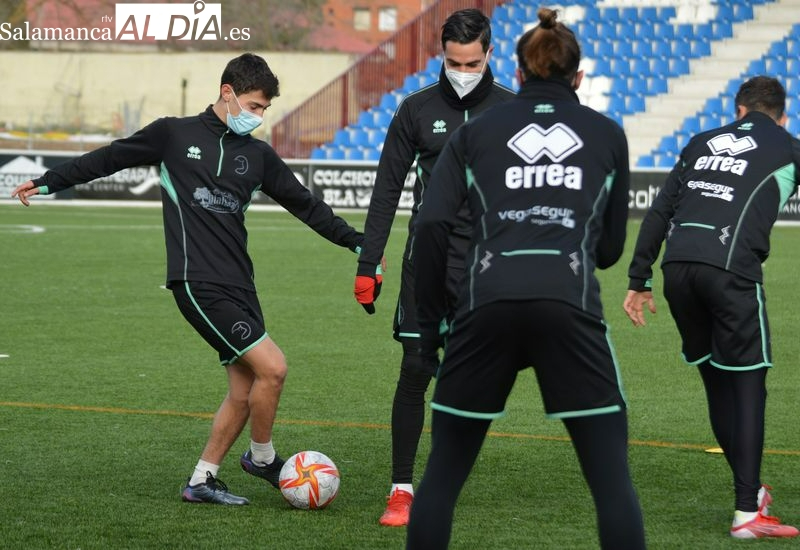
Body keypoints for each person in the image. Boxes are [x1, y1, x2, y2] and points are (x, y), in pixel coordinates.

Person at [12, 53, 364, 506]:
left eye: (264, 111)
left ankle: (202, 480)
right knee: (273, 369)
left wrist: (357, 243)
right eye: (254, 107)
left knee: (244, 389)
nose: (257, 118)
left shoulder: (258, 155)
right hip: (197, 282)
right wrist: (47, 181)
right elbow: (109, 158)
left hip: (241, 284)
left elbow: (307, 205)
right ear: (227, 93)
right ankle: (262, 457)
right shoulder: (173, 134)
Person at [406, 8, 645, 549]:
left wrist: (430, 325)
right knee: (611, 485)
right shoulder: (607, 134)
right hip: (569, 302)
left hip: (486, 302)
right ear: (577, 77)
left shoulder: (479, 130)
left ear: (516, 73)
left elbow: (432, 224)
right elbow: (608, 252)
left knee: (441, 479)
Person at [352, 8, 516, 527]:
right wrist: (368, 262)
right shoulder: (415, 110)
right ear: (440, 56)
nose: (462, 71)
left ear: (490, 54)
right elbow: (386, 191)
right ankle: (401, 490)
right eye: (452, 62)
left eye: (471, 62)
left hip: (487, 268)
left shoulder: (515, 111)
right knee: (416, 371)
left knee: (473, 380)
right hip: (426, 263)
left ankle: (443, 480)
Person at [623, 75, 799, 539]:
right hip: (730, 271)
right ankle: (747, 513)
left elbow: (660, 209)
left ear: (738, 109)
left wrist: (638, 278)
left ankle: (751, 493)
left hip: (677, 269)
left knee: (717, 383)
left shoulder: (703, 141)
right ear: (781, 115)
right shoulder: (788, 145)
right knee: (748, 385)